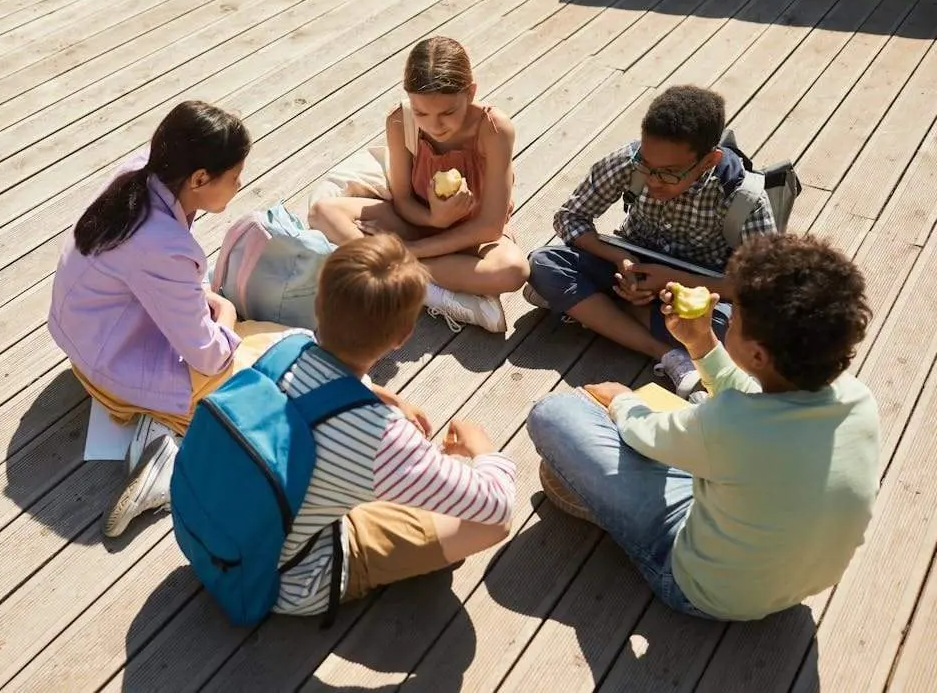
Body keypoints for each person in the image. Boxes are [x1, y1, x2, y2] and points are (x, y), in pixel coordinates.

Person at [117, 235, 518, 614]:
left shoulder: (286, 345)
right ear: (402, 336)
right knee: (490, 526)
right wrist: (483, 450)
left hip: (205, 537)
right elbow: (494, 504)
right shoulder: (381, 438)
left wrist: (382, 396)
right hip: (285, 582)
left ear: (319, 302)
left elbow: (321, 388)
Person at [526, 234, 878, 621]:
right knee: (708, 438)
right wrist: (703, 344)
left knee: (555, 412)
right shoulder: (857, 399)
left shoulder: (731, 424)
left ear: (758, 354)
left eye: (735, 313)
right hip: (793, 581)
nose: (727, 313)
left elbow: (642, 432)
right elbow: (754, 407)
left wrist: (621, 399)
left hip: (702, 589)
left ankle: (603, 503)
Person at [46, 101, 288, 538]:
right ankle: (168, 462)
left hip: (85, 341)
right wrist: (227, 316)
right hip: (110, 367)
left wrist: (197, 298)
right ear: (199, 179)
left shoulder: (141, 171)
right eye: (234, 177)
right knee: (263, 385)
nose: (240, 185)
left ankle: (155, 432)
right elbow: (210, 357)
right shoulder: (165, 246)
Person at [525, 85, 778, 398]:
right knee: (544, 262)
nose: (653, 180)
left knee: (736, 332)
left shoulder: (744, 197)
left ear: (708, 161)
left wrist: (672, 280)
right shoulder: (631, 162)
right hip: (627, 266)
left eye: (670, 173)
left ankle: (590, 308)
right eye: (647, 165)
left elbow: (761, 285)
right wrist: (619, 259)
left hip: (698, 292)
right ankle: (667, 353)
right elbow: (569, 217)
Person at [307, 36, 528, 334]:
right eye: (422, 112)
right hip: (417, 222)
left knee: (513, 270)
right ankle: (429, 289)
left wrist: (409, 251)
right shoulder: (401, 122)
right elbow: (402, 200)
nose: (434, 125)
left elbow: (489, 226)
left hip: (472, 237)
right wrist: (434, 218)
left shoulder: (493, 129)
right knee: (323, 212)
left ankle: (396, 271)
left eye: (448, 113)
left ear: (471, 92)